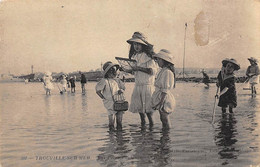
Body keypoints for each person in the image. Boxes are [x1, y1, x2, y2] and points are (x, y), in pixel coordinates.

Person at [124, 32, 157, 127]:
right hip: (138, 86)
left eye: (138, 44)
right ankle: (143, 133)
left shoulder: (149, 57)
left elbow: (152, 71)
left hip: (147, 87)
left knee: (149, 113)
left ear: (143, 45)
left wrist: (138, 68)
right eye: (134, 44)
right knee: (141, 115)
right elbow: (136, 72)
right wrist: (128, 70)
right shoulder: (135, 57)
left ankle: (151, 134)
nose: (136, 46)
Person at [96, 61, 126, 130]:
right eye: (110, 71)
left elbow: (123, 88)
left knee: (119, 121)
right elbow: (98, 90)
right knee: (111, 121)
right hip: (110, 102)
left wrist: (121, 90)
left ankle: (119, 136)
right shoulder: (105, 81)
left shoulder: (117, 80)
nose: (113, 72)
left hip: (119, 101)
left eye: (114, 70)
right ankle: (112, 136)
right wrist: (103, 97)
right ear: (107, 73)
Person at [151, 49, 176, 129]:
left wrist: (161, 103)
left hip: (164, 98)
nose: (157, 61)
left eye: (158, 59)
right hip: (161, 97)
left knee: (165, 118)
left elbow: (165, 90)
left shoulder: (167, 72)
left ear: (164, 60)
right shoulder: (163, 71)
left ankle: (166, 136)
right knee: (162, 118)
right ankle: (164, 136)